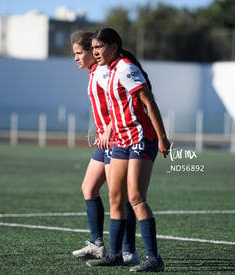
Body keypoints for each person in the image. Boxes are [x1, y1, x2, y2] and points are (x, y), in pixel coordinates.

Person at [86, 28, 171, 272]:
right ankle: (115, 255)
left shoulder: (125, 68)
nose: (95, 52)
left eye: (99, 47)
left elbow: (149, 102)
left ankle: (154, 259)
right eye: (93, 48)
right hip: (121, 141)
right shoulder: (110, 71)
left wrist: (163, 137)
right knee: (116, 197)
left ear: (114, 46)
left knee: (135, 197)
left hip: (141, 138)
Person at [70, 30, 139, 265]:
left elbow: (120, 104)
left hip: (116, 139)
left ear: (92, 51)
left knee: (120, 197)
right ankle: (97, 244)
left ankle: (128, 251)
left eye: (80, 53)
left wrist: (109, 128)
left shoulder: (103, 72)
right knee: (89, 188)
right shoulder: (94, 72)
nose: (76, 57)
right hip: (103, 140)